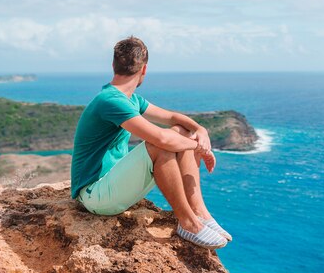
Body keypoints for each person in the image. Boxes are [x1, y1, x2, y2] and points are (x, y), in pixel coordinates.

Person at [70, 35, 231, 249]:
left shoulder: (131, 99)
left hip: (111, 188)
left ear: (113, 65)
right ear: (144, 70)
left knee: (181, 131)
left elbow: (173, 119)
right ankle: (188, 223)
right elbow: (161, 139)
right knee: (159, 145)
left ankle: (199, 213)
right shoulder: (110, 101)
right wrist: (198, 146)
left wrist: (200, 130)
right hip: (94, 196)